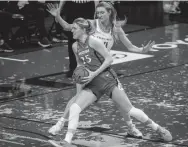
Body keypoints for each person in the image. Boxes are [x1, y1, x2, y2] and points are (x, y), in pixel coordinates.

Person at [48, 17, 172, 147]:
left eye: (74, 28)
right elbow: (80, 63)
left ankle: (158, 128)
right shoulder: (75, 46)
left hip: (107, 79)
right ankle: (67, 141)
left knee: (130, 110)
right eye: (72, 28)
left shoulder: (94, 41)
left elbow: (109, 60)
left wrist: (93, 74)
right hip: (92, 83)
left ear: (83, 29)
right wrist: (79, 73)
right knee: (74, 107)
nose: (71, 30)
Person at [57, 0, 99, 78]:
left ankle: (92, 65)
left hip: (88, 5)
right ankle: (73, 67)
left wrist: (97, 11)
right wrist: (58, 11)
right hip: (72, 5)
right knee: (72, 36)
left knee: (88, 35)